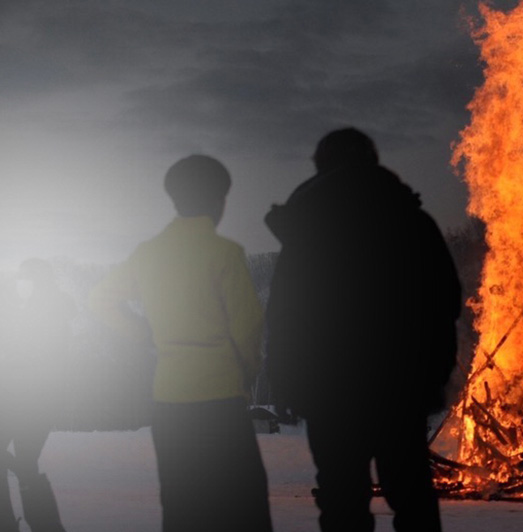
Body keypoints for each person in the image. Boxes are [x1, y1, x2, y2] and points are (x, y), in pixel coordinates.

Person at [265, 128, 461, 532]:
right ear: (373, 162)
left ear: (321, 168)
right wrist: (435, 374)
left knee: (341, 495)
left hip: (329, 386)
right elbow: (444, 302)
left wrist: (285, 378)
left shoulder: (306, 230)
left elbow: (286, 312)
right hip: (402, 383)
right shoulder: (413, 221)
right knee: (411, 491)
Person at [88, 155, 272, 532]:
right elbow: (248, 324)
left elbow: (100, 300)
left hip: (169, 397)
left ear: (174, 198)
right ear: (220, 200)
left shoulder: (148, 253)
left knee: (181, 503)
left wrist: (145, 333)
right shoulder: (225, 253)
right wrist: (247, 369)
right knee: (245, 502)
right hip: (221, 397)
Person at [0, 259, 74, 532]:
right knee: (26, 464)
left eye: (26, 277)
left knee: (26, 464)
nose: (21, 283)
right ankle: (39, 524)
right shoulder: (28, 309)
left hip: (33, 398)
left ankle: (33, 523)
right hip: (20, 397)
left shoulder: (48, 312)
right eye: (20, 277)